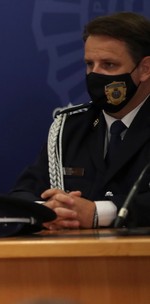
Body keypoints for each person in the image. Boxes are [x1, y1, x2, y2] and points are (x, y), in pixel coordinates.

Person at [11, 12, 150, 229]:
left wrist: (99, 213)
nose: (95, 74)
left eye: (109, 65)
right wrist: (49, 210)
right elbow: (22, 193)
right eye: (89, 64)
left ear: (145, 69)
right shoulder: (68, 128)